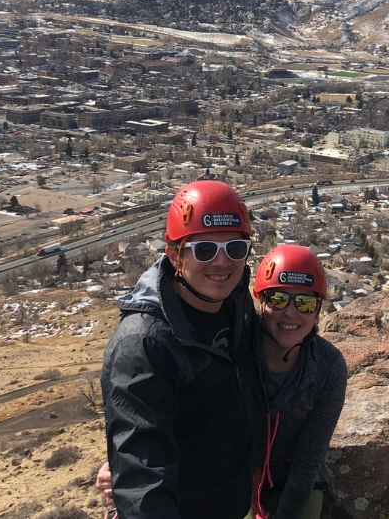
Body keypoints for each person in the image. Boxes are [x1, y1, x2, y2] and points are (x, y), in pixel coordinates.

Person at [101, 180, 259, 519]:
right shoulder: (144, 345)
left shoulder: (235, 303)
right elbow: (144, 479)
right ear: (174, 254)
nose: (222, 263)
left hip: (232, 500)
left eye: (235, 249)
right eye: (204, 250)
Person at [248, 243, 347, 519]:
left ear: (317, 310)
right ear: (261, 301)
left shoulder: (327, 367)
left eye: (304, 302)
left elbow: (308, 461)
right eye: (279, 299)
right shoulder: (236, 350)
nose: (291, 313)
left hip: (292, 476)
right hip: (233, 473)